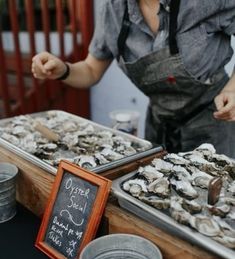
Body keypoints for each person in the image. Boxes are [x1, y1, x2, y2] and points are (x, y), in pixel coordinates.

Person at [32, 0, 235, 156]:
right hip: (157, 126)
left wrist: (232, 89)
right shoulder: (114, 8)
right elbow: (91, 70)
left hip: (214, 121)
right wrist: (63, 70)